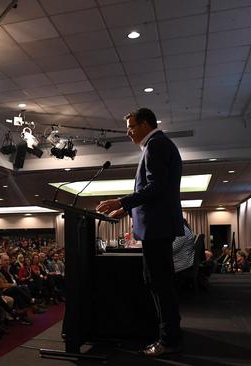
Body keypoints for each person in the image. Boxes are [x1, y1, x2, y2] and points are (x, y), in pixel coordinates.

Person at [96, 107, 183, 357]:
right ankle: (170, 335)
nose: (129, 133)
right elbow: (157, 190)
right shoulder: (157, 144)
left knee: (160, 284)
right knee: (158, 282)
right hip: (158, 226)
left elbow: (156, 187)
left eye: (131, 127)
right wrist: (126, 211)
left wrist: (121, 202)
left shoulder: (156, 145)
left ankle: (168, 340)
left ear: (145, 124)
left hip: (157, 227)